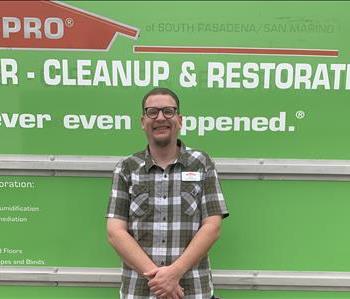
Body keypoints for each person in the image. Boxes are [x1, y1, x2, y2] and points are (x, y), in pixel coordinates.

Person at [106, 87, 229, 299]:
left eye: (168, 111)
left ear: (179, 120)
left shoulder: (201, 163)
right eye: (152, 112)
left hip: (192, 290)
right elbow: (115, 232)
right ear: (143, 121)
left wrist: (174, 273)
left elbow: (212, 226)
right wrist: (161, 280)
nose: (160, 117)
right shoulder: (127, 168)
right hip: (140, 292)